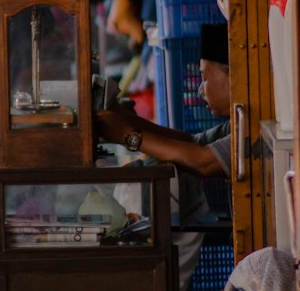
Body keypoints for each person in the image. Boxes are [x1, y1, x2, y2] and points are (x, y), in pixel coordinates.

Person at [95, 23, 232, 179]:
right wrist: (123, 118)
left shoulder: (254, 130)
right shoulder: (238, 123)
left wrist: (127, 135)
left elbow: (202, 161)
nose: (200, 89)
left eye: (205, 78)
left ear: (234, 77)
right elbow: (194, 142)